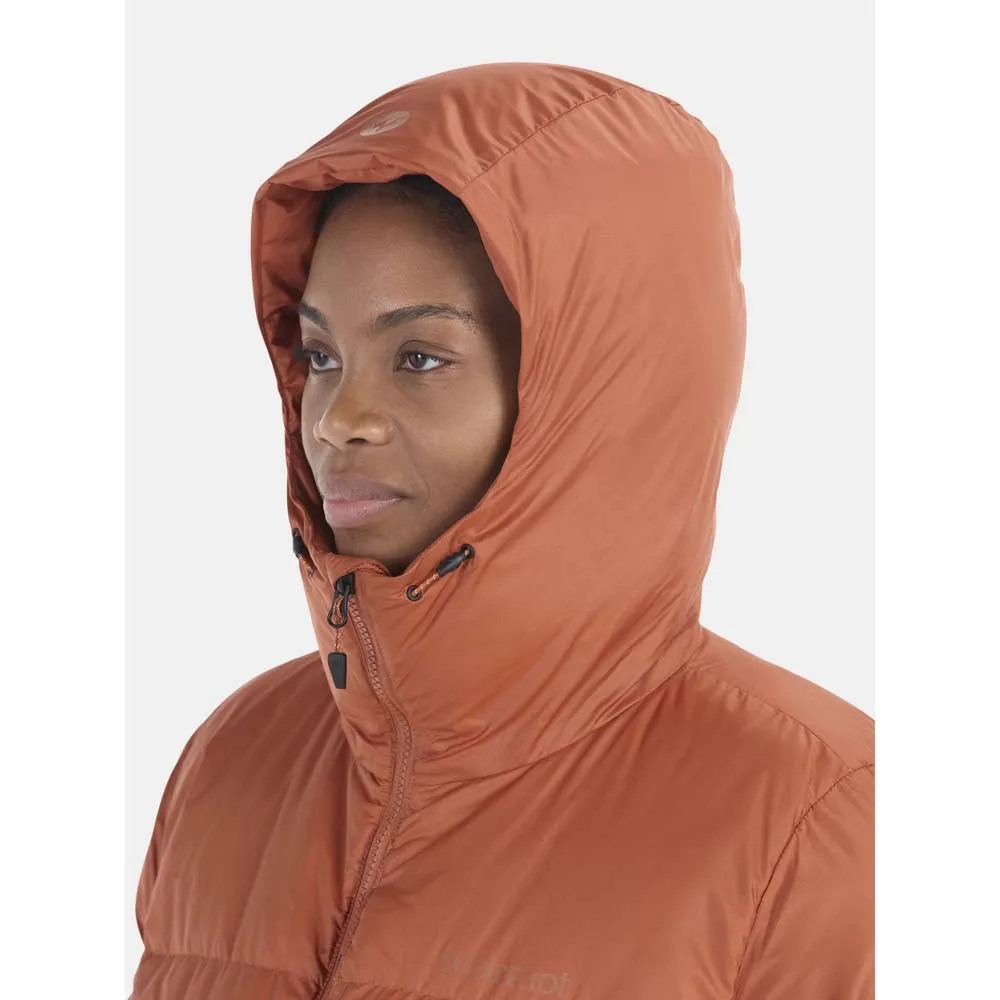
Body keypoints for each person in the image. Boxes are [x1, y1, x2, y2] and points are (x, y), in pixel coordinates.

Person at [131, 62, 874, 1000]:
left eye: (418, 357)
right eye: (320, 355)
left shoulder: (818, 826)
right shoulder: (235, 758)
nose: (337, 419)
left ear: (597, 397)